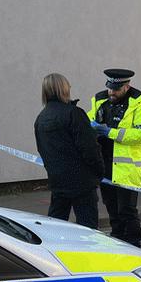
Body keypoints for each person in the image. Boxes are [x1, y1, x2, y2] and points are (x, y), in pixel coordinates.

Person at [87, 68, 141, 247]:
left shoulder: (139, 104)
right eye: (109, 88)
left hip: (126, 169)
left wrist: (110, 132)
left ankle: (134, 245)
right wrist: (89, 126)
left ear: (126, 86)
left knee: (127, 211)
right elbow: (88, 120)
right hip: (104, 166)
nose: (111, 92)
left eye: (115, 89)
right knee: (112, 208)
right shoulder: (100, 101)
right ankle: (117, 242)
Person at [34, 73, 105, 228]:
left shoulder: (41, 118)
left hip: (57, 181)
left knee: (55, 226)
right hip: (82, 182)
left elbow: (42, 150)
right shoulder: (74, 114)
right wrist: (99, 171)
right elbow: (90, 149)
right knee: (88, 229)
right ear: (64, 89)